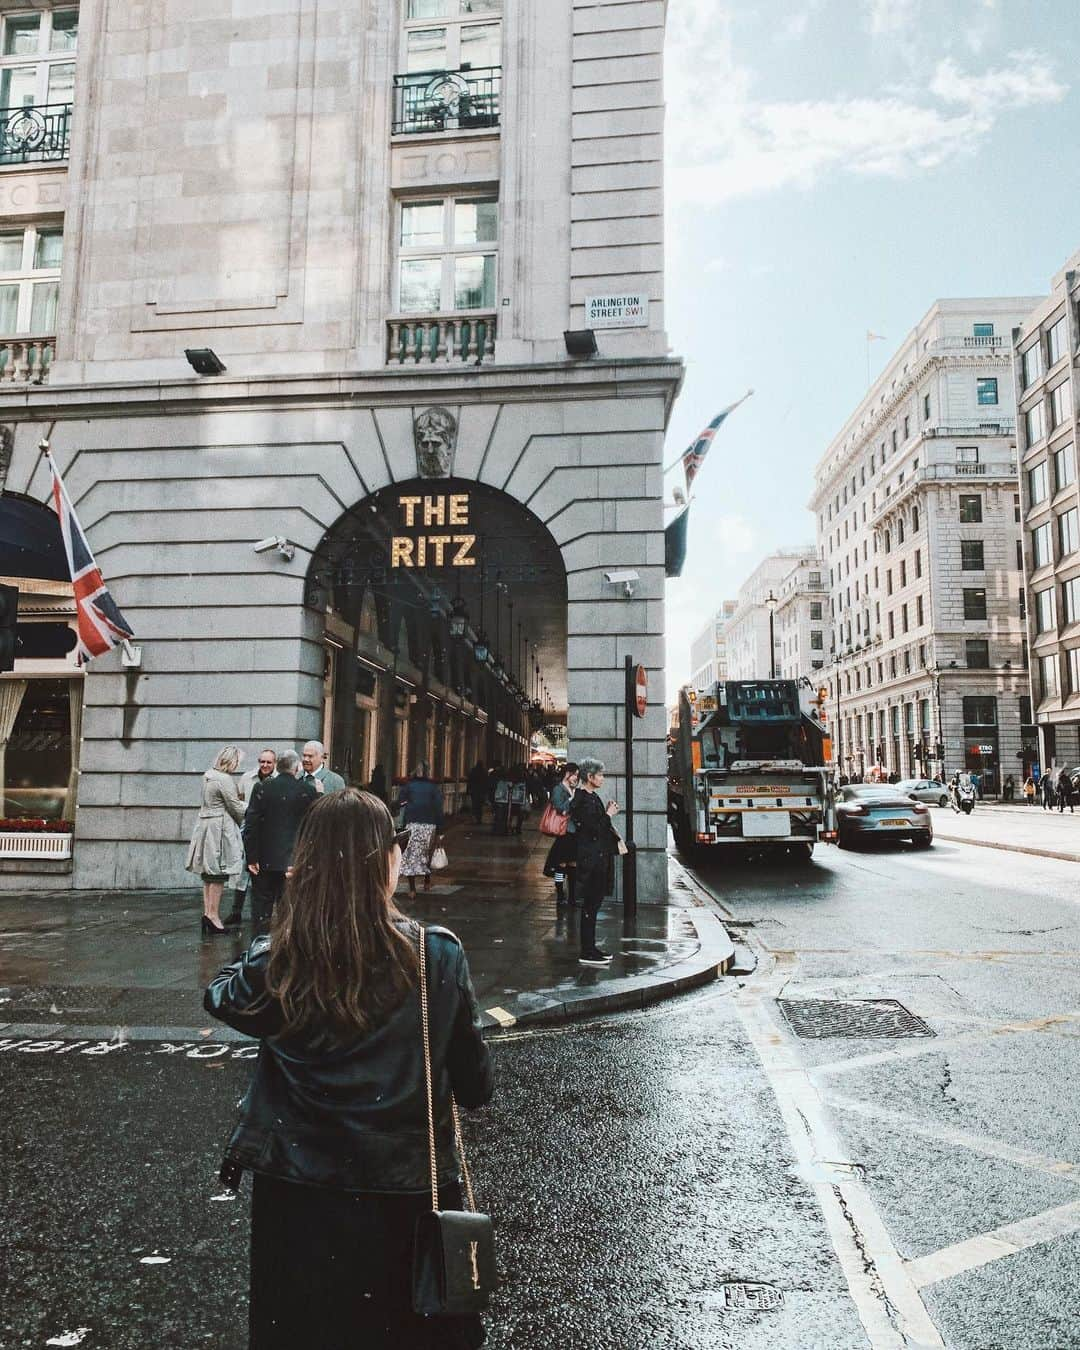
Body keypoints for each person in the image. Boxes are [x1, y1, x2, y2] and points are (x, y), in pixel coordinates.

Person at [204, 789, 493, 1350]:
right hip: (405, 1191)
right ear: (384, 860)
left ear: (308, 866)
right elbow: (477, 1084)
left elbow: (222, 997)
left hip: (297, 1190)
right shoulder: (437, 955)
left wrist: (281, 933)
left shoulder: (283, 957)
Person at [243, 751, 319, 932]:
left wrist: (251, 857)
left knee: (262, 911)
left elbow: (251, 825)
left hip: (264, 860)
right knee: (289, 911)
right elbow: (312, 828)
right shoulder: (308, 790)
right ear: (296, 767)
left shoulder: (262, 788)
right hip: (293, 861)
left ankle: (259, 948)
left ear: (277, 766)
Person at [186, 745, 247, 936]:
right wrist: (251, 808)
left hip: (206, 825)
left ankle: (208, 913)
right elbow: (235, 806)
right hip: (219, 828)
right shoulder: (224, 779)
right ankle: (214, 917)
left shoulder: (208, 775)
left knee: (209, 874)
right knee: (218, 873)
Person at [569, 756, 620, 967]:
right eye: (599, 775)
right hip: (591, 860)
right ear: (589, 777)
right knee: (590, 905)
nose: (602, 778)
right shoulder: (582, 799)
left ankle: (591, 949)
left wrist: (606, 812)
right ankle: (587, 952)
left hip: (597, 858)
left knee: (594, 904)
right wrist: (608, 814)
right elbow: (594, 829)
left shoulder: (592, 797)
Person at [224, 748, 278, 928]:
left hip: (269, 831)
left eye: (269, 762)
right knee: (242, 871)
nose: (265, 765)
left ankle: (264, 914)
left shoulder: (278, 780)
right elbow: (237, 798)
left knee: (261, 873)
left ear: (275, 763)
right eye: (262, 761)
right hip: (249, 828)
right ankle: (236, 911)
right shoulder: (248, 778)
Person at [397, 762, 445, 895]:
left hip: (412, 823)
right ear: (427, 772)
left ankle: (412, 889)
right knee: (427, 853)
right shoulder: (433, 788)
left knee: (411, 855)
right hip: (429, 824)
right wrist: (441, 830)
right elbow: (438, 809)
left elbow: (400, 802)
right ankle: (427, 882)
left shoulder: (408, 786)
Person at [543, 762, 579, 909]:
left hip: (574, 832)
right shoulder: (558, 789)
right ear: (567, 774)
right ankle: (560, 896)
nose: (576, 778)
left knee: (573, 865)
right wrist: (571, 799)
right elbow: (560, 809)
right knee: (561, 865)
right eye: (574, 774)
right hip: (564, 832)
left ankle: (572, 897)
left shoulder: (573, 789)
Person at [466, 760, 487, 825]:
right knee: (480, 805)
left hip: (474, 790)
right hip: (481, 791)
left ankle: (474, 818)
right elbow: (486, 782)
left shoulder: (473, 771)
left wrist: (468, 790)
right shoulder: (484, 771)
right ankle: (479, 818)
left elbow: (469, 781)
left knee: (475, 804)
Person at [509, 767, 528, 835]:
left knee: (511, 814)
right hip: (519, 800)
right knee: (520, 815)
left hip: (512, 800)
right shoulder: (522, 779)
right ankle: (518, 828)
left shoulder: (510, 779)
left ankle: (510, 827)